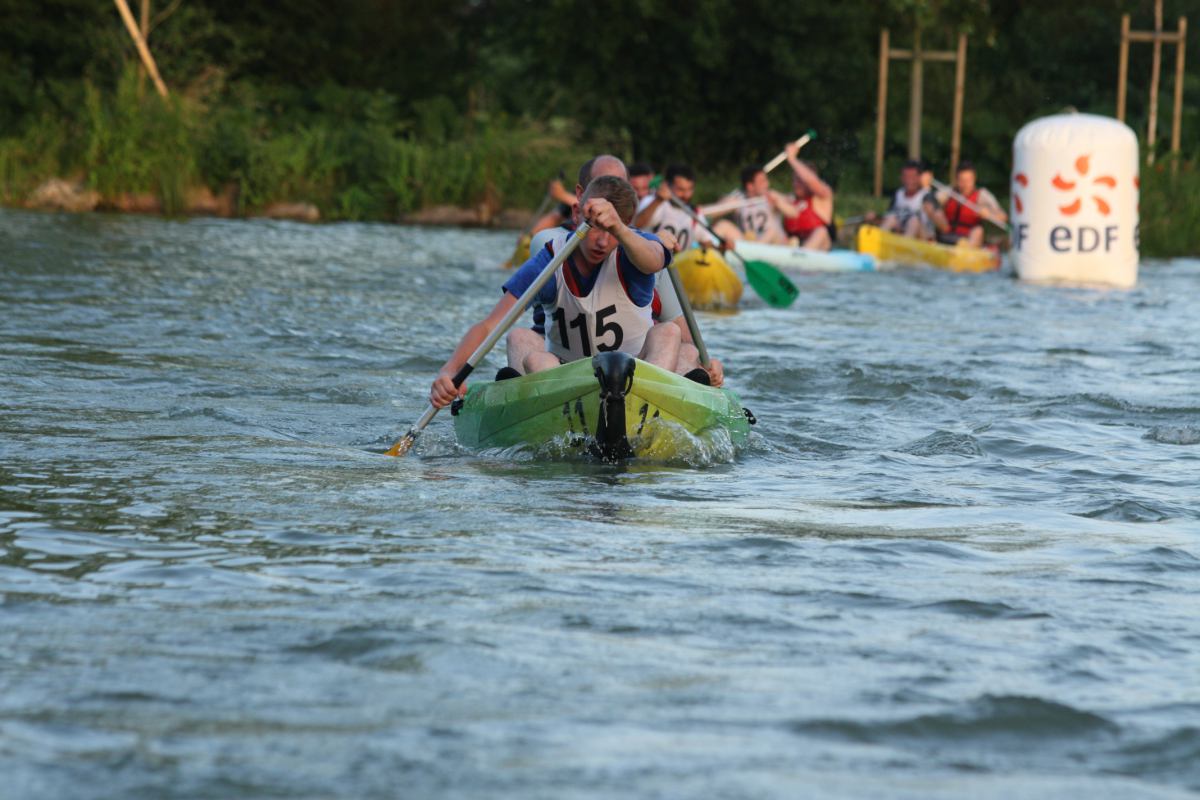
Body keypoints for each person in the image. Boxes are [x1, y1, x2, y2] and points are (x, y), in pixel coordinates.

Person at [430, 176, 677, 409]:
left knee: (669, 333)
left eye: (610, 231)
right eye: (595, 228)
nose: (602, 242)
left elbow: (655, 261)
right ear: (576, 213)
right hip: (566, 383)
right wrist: (450, 370)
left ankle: (650, 410)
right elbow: (490, 325)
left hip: (635, 380)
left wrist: (619, 228)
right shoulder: (550, 261)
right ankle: (545, 412)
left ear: (626, 226)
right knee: (522, 341)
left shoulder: (635, 250)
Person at [708, 164, 799, 246]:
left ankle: (756, 249)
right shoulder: (738, 198)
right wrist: (723, 202)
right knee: (723, 225)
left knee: (772, 230)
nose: (767, 184)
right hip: (749, 242)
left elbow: (794, 213)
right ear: (750, 186)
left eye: (766, 180)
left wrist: (778, 203)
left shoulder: (771, 195)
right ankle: (706, 251)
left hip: (773, 243)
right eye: (762, 181)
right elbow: (713, 211)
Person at [633, 164, 715, 250]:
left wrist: (719, 248)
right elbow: (636, 224)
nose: (686, 195)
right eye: (681, 189)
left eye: (690, 189)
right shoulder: (653, 201)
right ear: (667, 185)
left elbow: (707, 242)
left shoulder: (695, 213)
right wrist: (658, 200)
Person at [935, 161, 1007, 248]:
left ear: (974, 179)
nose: (965, 184)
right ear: (956, 180)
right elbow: (932, 201)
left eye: (968, 180)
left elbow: (1003, 216)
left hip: (968, 238)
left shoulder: (982, 195)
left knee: (979, 230)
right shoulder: (948, 192)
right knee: (934, 211)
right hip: (946, 235)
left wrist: (989, 214)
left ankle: (967, 250)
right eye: (962, 180)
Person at [782, 141, 835, 250]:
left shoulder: (823, 195)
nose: (796, 184)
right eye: (794, 180)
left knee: (821, 231)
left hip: (819, 247)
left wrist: (792, 159)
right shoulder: (788, 199)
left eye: (800, 180)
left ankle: (801, 255)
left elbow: (812, 181)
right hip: (793, 244)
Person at [880, 159, 936, 240]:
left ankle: (904, 243)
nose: (908, 181)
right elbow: (887, 217)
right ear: (901, 178)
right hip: (902, 231)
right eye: (906, 177)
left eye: (912, 177)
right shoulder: (898, 194)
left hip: (924, 238)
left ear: (919, 178)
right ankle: (879, 240)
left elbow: (944, 227)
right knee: (891, 218)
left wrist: (932, 213)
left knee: (914, 221)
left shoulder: (927, 196)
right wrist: (874, 218)